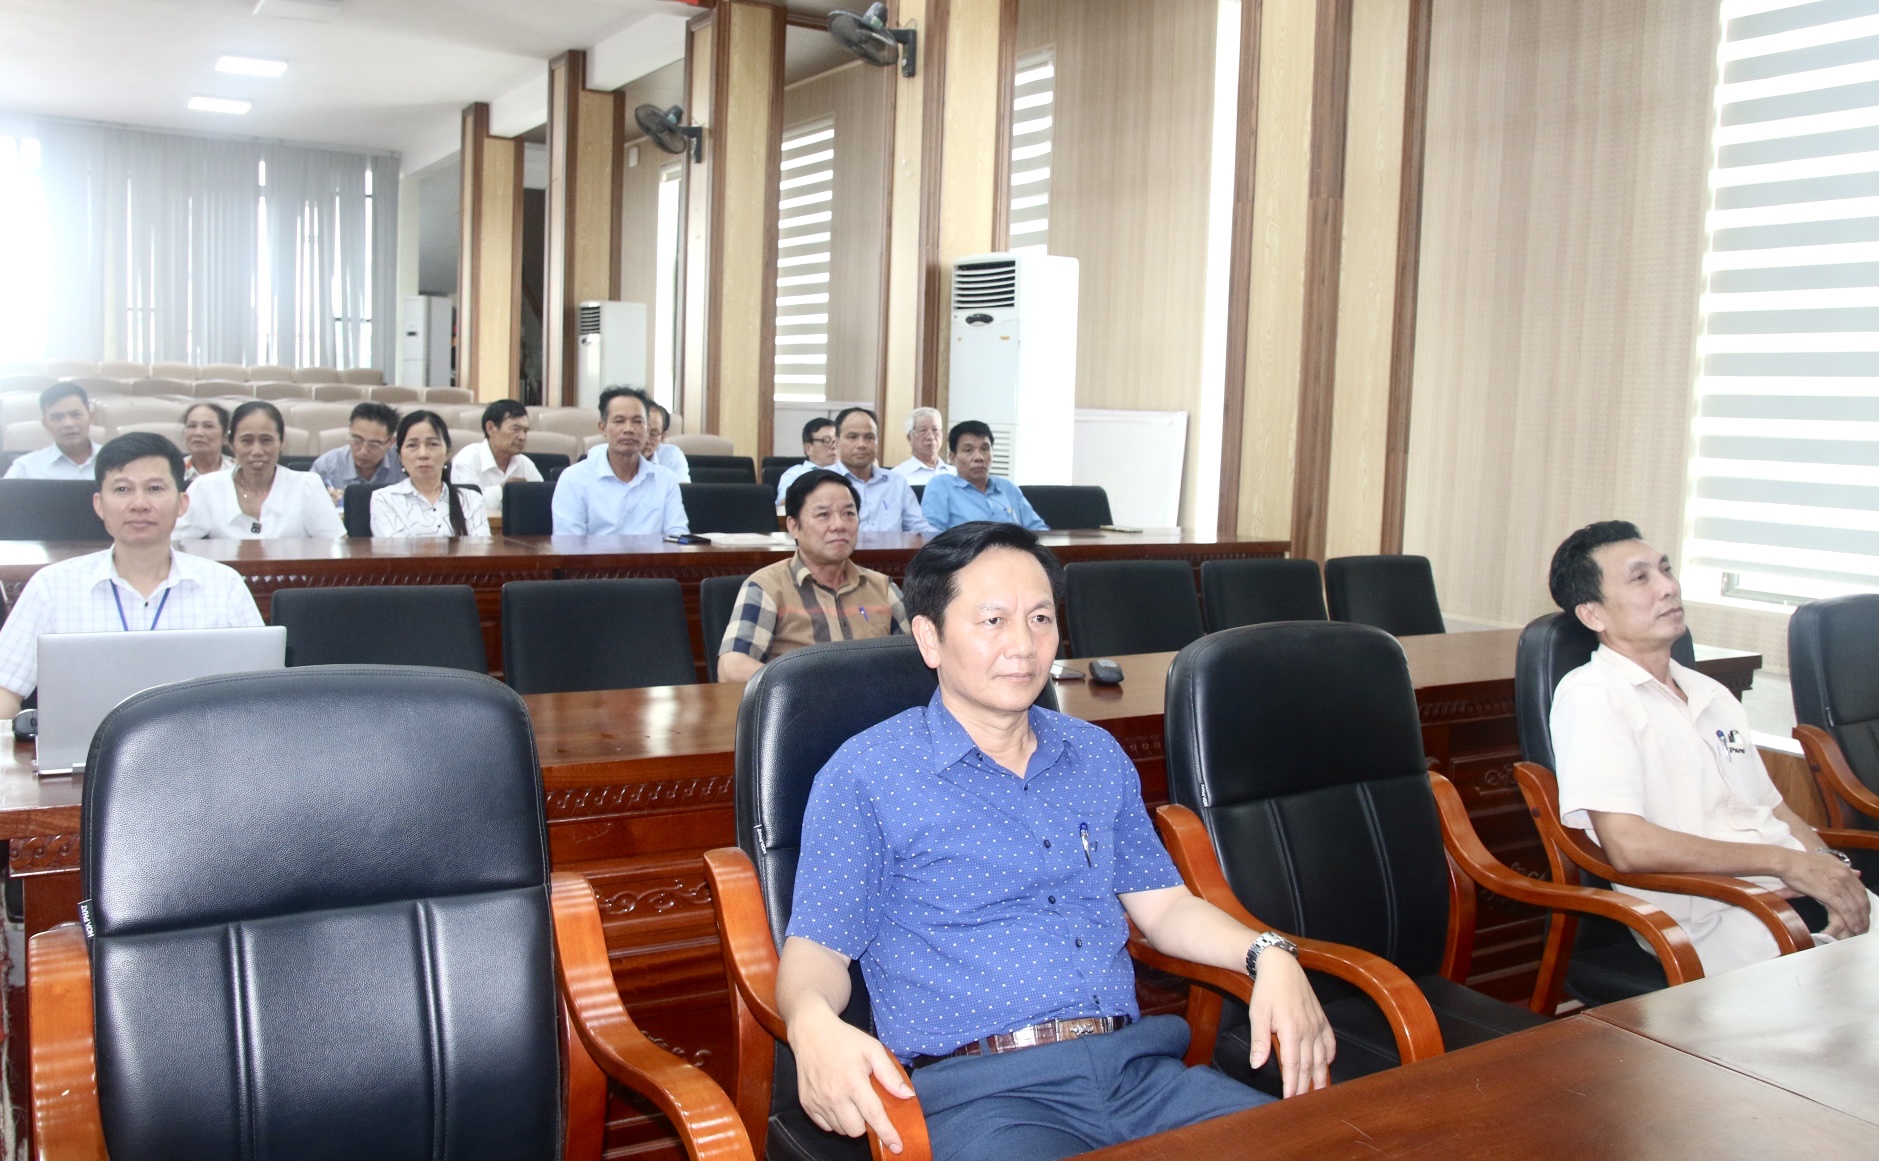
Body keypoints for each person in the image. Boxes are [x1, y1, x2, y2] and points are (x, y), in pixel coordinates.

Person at [778, 522, 1332, 1160]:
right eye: (992, 620)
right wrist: (811, 1020)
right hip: (982, 1098)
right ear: (929, 637)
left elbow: (1166, 908)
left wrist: (1268, 952)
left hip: (1138, 1077)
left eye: (1040, 618)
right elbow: (817, 950)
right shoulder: (868, 774)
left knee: (1319, 1145)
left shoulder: (1096, 754)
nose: (1023, 645)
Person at [1547, 520, 1876, 976]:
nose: (1668, 587)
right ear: (1593, 615)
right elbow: (1628, 845)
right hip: (1715, 916)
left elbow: (1774, 809)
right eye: (1641, 578)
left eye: (1666, 569)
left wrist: (1829, 871)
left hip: (1789, 891)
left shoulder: (1710, 692)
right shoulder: (1593, 695)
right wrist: (1784, 864)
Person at [0, 432, 263, 720]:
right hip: (82, 749)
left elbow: (264, 695)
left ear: (182, 503)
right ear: (99, 504)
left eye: (154, 488)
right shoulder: (52, 587)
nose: (139, 504)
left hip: (200, 745)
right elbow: (4, 690)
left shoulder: (224, 586)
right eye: (123, 489)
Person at [717, 469, 909, 683]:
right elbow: (731, 668)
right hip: (800, 702)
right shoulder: (767, 587)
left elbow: (919, 658)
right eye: (823, 515)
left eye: (848, 513)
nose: (839, 525)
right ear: (793, 526)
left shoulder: (882, 587)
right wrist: (805, 688)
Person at [174, 400, 345, 541]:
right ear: (232, 443)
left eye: (266, 440)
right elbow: (175, 543)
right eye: (246, 441)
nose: (257, 451)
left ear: (281, 442)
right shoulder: (205, 488)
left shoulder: (307, 485)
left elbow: (337, 548)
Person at [551, 386, 689, 537]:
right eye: (619, 421)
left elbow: (678, 535)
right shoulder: (574, 479)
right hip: (594, 554)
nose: (629, 429)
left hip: (654, 554)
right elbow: (569, 543)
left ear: (648, 429)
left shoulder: (666, 480)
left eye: (637, 421)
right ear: (603, 428)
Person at [371, 410, 490, 538]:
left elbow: (480, 547)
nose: (423, 454)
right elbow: (396, 547)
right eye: (412, 445)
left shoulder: (471, 499)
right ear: (400, 456)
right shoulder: (384, 499)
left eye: (433, 444)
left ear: (447, 453)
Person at [920, 421, 1049, 533]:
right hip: (966, 554)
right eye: (968, 450)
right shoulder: (941, 487)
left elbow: (1039, 530)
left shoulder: (1008, 488)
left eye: (984, 449)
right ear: (953, 458)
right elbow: (931, 537)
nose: (979, 457)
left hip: (1014, 552)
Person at [830, 407, 931, 535]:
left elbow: (920, 530)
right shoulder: (822, 482)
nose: (862, 444)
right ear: (837, 443)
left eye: (869, 437)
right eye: (853, 437)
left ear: (877, 441)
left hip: (892, 549)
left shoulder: (896, 483)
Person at [451, 398, 542, 511]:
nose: (522, 437)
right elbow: (466, 504)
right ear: (490, 428)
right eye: (516, 429)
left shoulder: (525, 464)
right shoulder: (467, 459)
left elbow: (542, 502)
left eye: (525, 431)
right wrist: (504, 490)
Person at [310, 401, 404, 502]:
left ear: (390, 442)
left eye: (374, 445)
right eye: (357, 440)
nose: (363, 451)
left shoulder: (403, 464)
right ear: (350, 430)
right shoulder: (326, 466)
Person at [5, 382, 99, 480]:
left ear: (91, 417)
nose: (68, 424)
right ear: (45, 424)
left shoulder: (110, 460)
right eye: (57, 417)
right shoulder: (25, 468)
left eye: (76, 415)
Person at [775, 416, 839, 503]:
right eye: (826, 440)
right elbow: (786, 502)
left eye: (836, 440)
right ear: (808, 448)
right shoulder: (795, 474)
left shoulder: (848, 472)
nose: (834, 446)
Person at [891, 407, 953, 484]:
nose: (931, 437)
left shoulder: (956, 474)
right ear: (910, 438)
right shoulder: (897, 476)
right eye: (923, 431)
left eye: (935, 430)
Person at [181, 402, 231, 484]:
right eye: (192, 426)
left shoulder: (238, 471)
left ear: (225, 436)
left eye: (208, 426)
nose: (198, 433)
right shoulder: (173, 470)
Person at [645, 399, 691, 482]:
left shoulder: (672, 456)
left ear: (663, 436)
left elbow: (682, 488)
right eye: (642, 432)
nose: (646, 440)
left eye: (653, 434)